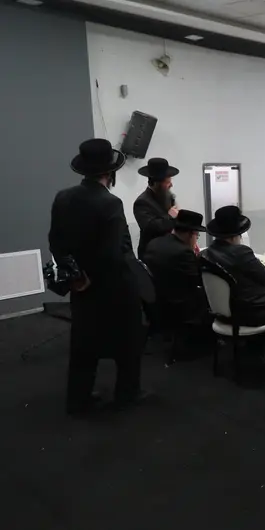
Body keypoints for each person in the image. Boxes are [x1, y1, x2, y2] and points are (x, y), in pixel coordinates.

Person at [49, 138, 144, 414]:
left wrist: (77, 276)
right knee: (129, 342)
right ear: (110, 172)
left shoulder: (62, 198)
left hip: (81, 286)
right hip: (113, 287)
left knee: (83, 343)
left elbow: (55, 242)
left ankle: (78, 400)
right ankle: (127, 394)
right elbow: (112, 254)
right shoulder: (110, 203)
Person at [203, 206, 265, 327]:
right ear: (235, 236)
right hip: (252, 312)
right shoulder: (241, 253)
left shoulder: (207, 254)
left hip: (223, 315)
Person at [143, 210, 208, 326]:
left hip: (156, 305)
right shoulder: (184, 252)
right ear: (191, 234)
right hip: (178, 310)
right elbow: (197, 281)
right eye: (197, 236)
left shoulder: (154, 243)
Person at [134, 157, 180, 259]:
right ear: (156, 183)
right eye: (167, 182)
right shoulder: (142, 202)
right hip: (152, 255)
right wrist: (170, 216)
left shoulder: (168, 197)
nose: (171, 185)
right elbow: (151, 227)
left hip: (170, 252)